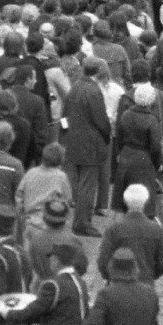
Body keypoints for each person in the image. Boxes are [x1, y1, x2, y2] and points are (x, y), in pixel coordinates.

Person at [63, 57, 111, 237]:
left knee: (80, 183)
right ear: (98, 71)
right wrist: (107, 135)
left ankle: (80, 221)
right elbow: (101, 120)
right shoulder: (93, 90)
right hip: (90, 143)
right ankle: (83, 223)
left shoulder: (75, 87)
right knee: (87, 185)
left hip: (75, 139)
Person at [98, 184, 163, 285]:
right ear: (146, 201)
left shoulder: (114, 229)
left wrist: (110, 277)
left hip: (118, 285)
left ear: (125, 201)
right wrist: (150, 276)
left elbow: (103, 261)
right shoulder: (156, 230)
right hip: (146, 284)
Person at [112, 83, 163, 213]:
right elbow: (156, 147)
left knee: (122, 201)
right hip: (144, 160)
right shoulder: (152, 120)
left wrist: (119, 153)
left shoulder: (125, 115)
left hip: (125, 156)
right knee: (143, 202)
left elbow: (118, 137)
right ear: (151, 100)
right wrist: (156, 164)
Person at [24, 199, 84, 287]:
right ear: (66, 219)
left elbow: (30, 263)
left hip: (41, 286)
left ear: (44, 218)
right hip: (67, 287)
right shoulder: (73, 241)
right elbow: (82, 267)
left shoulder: (35, 238)